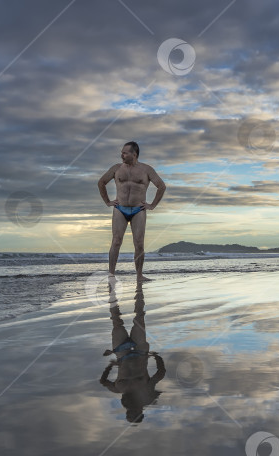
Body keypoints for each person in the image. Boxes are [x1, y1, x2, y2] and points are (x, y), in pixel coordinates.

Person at [97, 141, 166, 282]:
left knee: (139, 243)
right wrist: (108, 202)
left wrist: (152, 205)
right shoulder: (116, 168)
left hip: (138, 210)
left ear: (134, 154)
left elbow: (161, 186)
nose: (121, 155)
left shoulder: (146, 170)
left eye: (125, 152)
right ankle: (111, 275)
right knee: (116, 241)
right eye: (122, 152)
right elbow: (101, 182)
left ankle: (139, 276)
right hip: (120, 209)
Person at [100, 283, 165, 423]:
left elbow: (103, 381)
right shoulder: (147, 389)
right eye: (135, 413)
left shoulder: (118, 389)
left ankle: (112, 292)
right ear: (140, 411)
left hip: (122, 354)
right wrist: (157, 356)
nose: (132, 410)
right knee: (139, 318)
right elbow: (160, 373)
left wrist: (110, 366)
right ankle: (139, 289)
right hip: (141, 351)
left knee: (116, 322)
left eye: (129, 414)